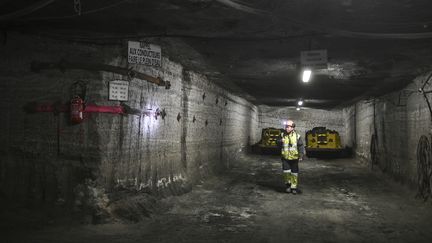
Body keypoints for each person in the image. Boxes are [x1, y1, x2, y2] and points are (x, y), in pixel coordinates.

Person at [279, 120, 305, 194]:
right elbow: (277, 143)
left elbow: (301, 146)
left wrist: (301, 155)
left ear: (292, 128)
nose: (286, 128)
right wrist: (280, 141)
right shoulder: (282, 135)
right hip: (285, 158)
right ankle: (288, 186)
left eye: (288, 126)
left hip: (294, 158)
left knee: (294, 173)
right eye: (286, 126)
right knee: (286, 173)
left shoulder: (297, 136)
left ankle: (294, 187)